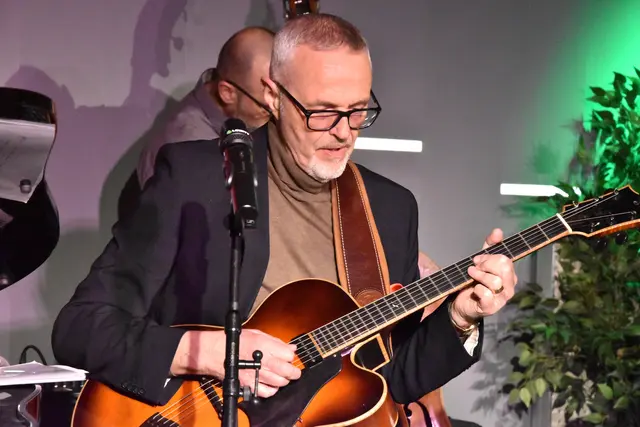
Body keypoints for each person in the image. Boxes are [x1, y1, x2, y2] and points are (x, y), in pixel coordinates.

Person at [51, 13, 517, 411]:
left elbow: (393, 379)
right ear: (273, 97)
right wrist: (211, 352)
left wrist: (461, 318)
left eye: (358, 111)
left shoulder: (390, 209)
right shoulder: (195, 179)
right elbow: (80, 326)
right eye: (322, 112)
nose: (343, 132)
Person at [136, 26, 275, 188]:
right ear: (227, 93)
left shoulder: (246, 109)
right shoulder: (185, 150)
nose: (278, 114)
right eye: (266, 108)